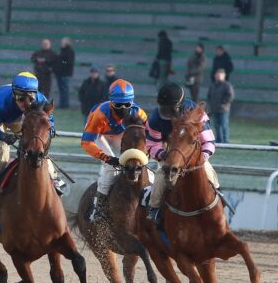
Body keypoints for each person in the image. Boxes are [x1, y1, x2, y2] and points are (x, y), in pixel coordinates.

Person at [0, 72, 64, 207]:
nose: (25, 103)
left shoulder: (41, 100)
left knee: (36, 145)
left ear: (35, 95)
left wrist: (51, 130)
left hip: (21, 119)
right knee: (2, 151)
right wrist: (3, 136)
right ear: (13, 94)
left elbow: (49, 121)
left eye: (30, 98)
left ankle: (53, 177)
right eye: (20, 97)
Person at [143, 82, 217, 222]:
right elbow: (152, 145)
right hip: (170, 153)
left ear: (179, 106)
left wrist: (203, 157)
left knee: (208, 173)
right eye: (163, 108)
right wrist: (162, 154)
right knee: (161, 177)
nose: (166, 113)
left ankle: (218, 199)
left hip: (194, 155)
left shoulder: (197, 113)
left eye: (170, 109)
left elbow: (208, 141)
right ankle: (154, 207)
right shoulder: (155, 119)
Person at [81, 80, 147, 222]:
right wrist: (106, 157)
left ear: (132, 102)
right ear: (111, 102)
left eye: (127, 105)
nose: (123, 109)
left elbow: (148, 138)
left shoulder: (140, 114)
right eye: (118, 105)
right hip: (100, 135)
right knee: (111, 167)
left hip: (122, 135)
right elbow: (86, 142)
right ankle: (98, 206)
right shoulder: (100, 114)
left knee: (142, 166)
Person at [206, 69, 234, 143]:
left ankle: (226, 141)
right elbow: (209, 96)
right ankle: (219, 141)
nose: (218, 76)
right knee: (217, 126)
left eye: (220, 75)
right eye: (217, 75)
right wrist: (210, 105)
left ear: (224, 76)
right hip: (214, 109)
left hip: (223, 109)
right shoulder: (212, 85)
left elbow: (230, 96)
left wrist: (223, 103)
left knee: (224, 125)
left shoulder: (227, 85)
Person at [55, 37, 76, 110]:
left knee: (64, 90)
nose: (61, 44)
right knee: (62, 90)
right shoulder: (63, 51)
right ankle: (62, 104)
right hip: (60, 73)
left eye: (62, 42)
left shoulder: (69, 51)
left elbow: (69, 62)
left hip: (64, 74)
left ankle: (65, 105)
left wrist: (61, 66)